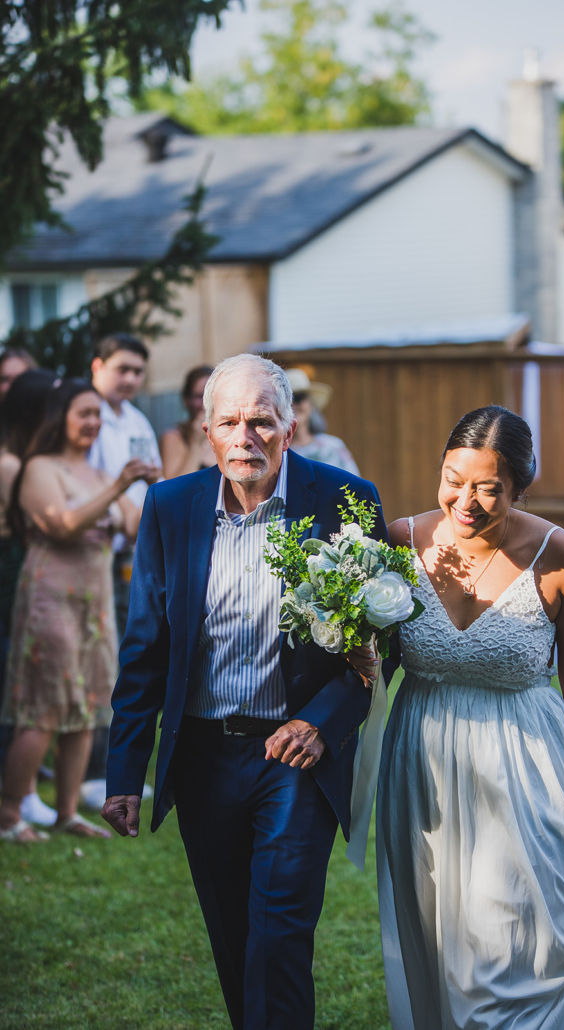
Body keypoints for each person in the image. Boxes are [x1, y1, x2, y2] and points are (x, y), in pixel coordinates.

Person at [102, 353, 399, 1029]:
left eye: (261, 422)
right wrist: (123, 770)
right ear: (206, 432)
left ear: (289, 429)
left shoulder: (346, 502)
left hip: (294, 756)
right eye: (230, 422)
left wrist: (320, 721)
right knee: (234, 939)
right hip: (203, 759)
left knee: (277, 935)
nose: (246, 437)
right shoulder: (170, 507)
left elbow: (378, 645)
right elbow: (145, 649)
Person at [360, 405, 564, 1029]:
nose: (464, 501)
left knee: (511, 947)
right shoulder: (397, 542)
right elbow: (370, 663)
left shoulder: (561, 557)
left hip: (526, 769)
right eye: (453, 479)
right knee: (442, 942)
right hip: (424, 769)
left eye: (487, 488)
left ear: (521, 487)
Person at [0, 379, 150, 843]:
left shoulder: (96, 473)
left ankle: (66, 812)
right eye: (83, 413)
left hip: (95, 604)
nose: (92, 423)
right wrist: (120, 485)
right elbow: (60, 525)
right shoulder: (39, 468)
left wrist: (157, 487)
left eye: (96, 416)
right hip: (51, 600)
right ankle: (8, 814)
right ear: (59, 418)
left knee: (88, 708)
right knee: (44, 709)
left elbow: (133, 523)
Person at [84, 332, 160, 810]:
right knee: (100, 662)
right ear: (97, 366)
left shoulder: (136, 420)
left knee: (128, 658)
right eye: (121, 369)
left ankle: (111, 764)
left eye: (137, 371)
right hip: (95, 549)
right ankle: (94, 771)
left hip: (133, 553)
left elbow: (152, 480)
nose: (130, 379)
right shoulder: (83, 413)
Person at [0, 369, 59, 825]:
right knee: (21, 688)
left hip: (19, 573)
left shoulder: (28, 461)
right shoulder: (12, 465)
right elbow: (54, 524)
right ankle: (12, 799)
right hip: (10, 577)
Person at [286, 367, 360, 474]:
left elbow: (354, 486)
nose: (293, 405)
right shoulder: (277, 451)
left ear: (311, 404)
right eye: (287, 400)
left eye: (298, 398)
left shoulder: (333, 447)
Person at [159, 364, 216, 479]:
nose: (205, 405)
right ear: (186, 400)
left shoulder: (228, 435)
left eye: (211, 397)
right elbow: (174, 489)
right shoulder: (174, 437)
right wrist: (195, 443)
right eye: (199, 397)